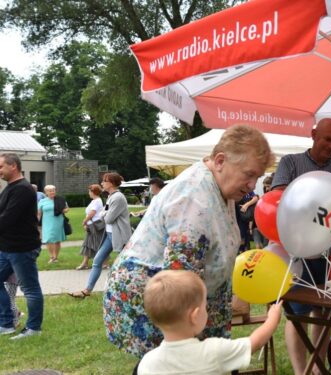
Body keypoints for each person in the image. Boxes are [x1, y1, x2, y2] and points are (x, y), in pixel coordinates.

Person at [101, 125, 273, 357]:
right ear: (220, 161)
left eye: (258, 177)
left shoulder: (222, 185)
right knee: (171, 366)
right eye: (249, 174)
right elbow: (180, 282)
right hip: (160, 304)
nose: (253, 185)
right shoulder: (194, 199)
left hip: (191, 304)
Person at [272, 118, 331, 375]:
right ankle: (300, 372)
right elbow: (278, 196)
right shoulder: (290, 162)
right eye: (327, 139)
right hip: (296, 253)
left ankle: (318, 370)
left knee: (325, 314)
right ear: (313, 134)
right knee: (297, 316)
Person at [136, 270, 282, 374]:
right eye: (205, 306)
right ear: (195, 316)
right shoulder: (213, 351)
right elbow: (253, 343)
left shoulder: (147, 363)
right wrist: (272, 320)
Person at [0, 153, 44, 339]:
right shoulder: (9, 188)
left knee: (31, 289)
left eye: (1, 166)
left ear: (13, 167)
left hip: (22, 248)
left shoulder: (23, 189)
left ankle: (33, 328)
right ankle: (7, 323)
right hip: (7, 247)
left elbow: (7, 219)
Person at [68, 172, 132, 298]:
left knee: (125, 264)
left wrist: (104, 213)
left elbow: (108, 218)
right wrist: (104, 213)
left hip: (119, 236)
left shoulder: (118, 197)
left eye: (104, 181)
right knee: (97, 261)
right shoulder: (111, 197)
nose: (102, 183)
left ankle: (129, 291)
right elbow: (105, 214)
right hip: (109, 235)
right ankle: (87, 291)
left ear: (111, 183)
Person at [37, 185, 68, 263]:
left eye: (53, 190)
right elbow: (39, 213)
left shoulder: (60, 199)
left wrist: (62, 210)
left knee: (57, 240)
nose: (52, 192)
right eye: (50, 191)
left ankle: (55, 257)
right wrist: (37, 223)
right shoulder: (42, 201)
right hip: (46, 222)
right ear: (46, 192)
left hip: (58, 221)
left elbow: (67, 209)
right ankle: (52, 256)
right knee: (48, 239)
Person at [77, 184, 105, 270]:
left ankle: (104, 263)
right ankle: (85, 263)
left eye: (89, 191)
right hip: (91, 225)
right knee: (88, 244)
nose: (88, 193)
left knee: (97, 244)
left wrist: (84, 221)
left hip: (95, 225)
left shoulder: (97, 201)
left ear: (93, 192)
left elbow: (92, 213)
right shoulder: (94, 201)